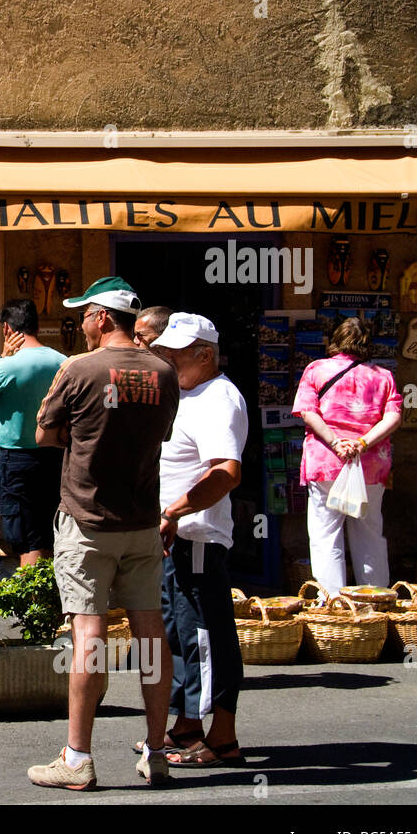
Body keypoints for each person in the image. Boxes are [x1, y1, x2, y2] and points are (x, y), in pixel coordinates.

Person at [27, 276, 180, 791]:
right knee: (152, 636)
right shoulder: (165, 371)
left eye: (83, 316)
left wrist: (84, 433)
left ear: (100, 317)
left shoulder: (79, 368)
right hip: (141, 521)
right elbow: (161, 432)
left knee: (87, 635)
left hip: (87, 519)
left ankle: (78, 757)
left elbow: (44, 434)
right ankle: (157, 750)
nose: (80, 325)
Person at [147, 313, 249, 768]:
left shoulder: (219, 398)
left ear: (204, 354)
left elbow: (225, 473)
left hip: (198, 537)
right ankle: (188, 724)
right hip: (177, 538)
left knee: (207, 636)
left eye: (174, 354)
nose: (166, 361)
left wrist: (174, 511)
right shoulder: (190, 393)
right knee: (181, 635)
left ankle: (221, 738)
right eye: (162, 353)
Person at [291, 317, 403, 596]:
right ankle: (376, 600)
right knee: (369, 532)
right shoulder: (383, 376)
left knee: (326, 535)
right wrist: (362, 443)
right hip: (370, 466)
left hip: (327, 463)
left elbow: (307, 412)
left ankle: (334, 603)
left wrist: (336, 442)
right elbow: (394, 416)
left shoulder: (316, 370)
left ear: (335, 341)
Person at [0, 299, 66, 566]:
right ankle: (51, 596)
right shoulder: (63, 362)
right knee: (50, 531)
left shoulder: (6, 366)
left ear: (7, 329)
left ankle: (33, 603)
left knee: (27, 537)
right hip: (56, 455)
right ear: (37, 326)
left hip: (17, 459)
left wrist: (2, 358)